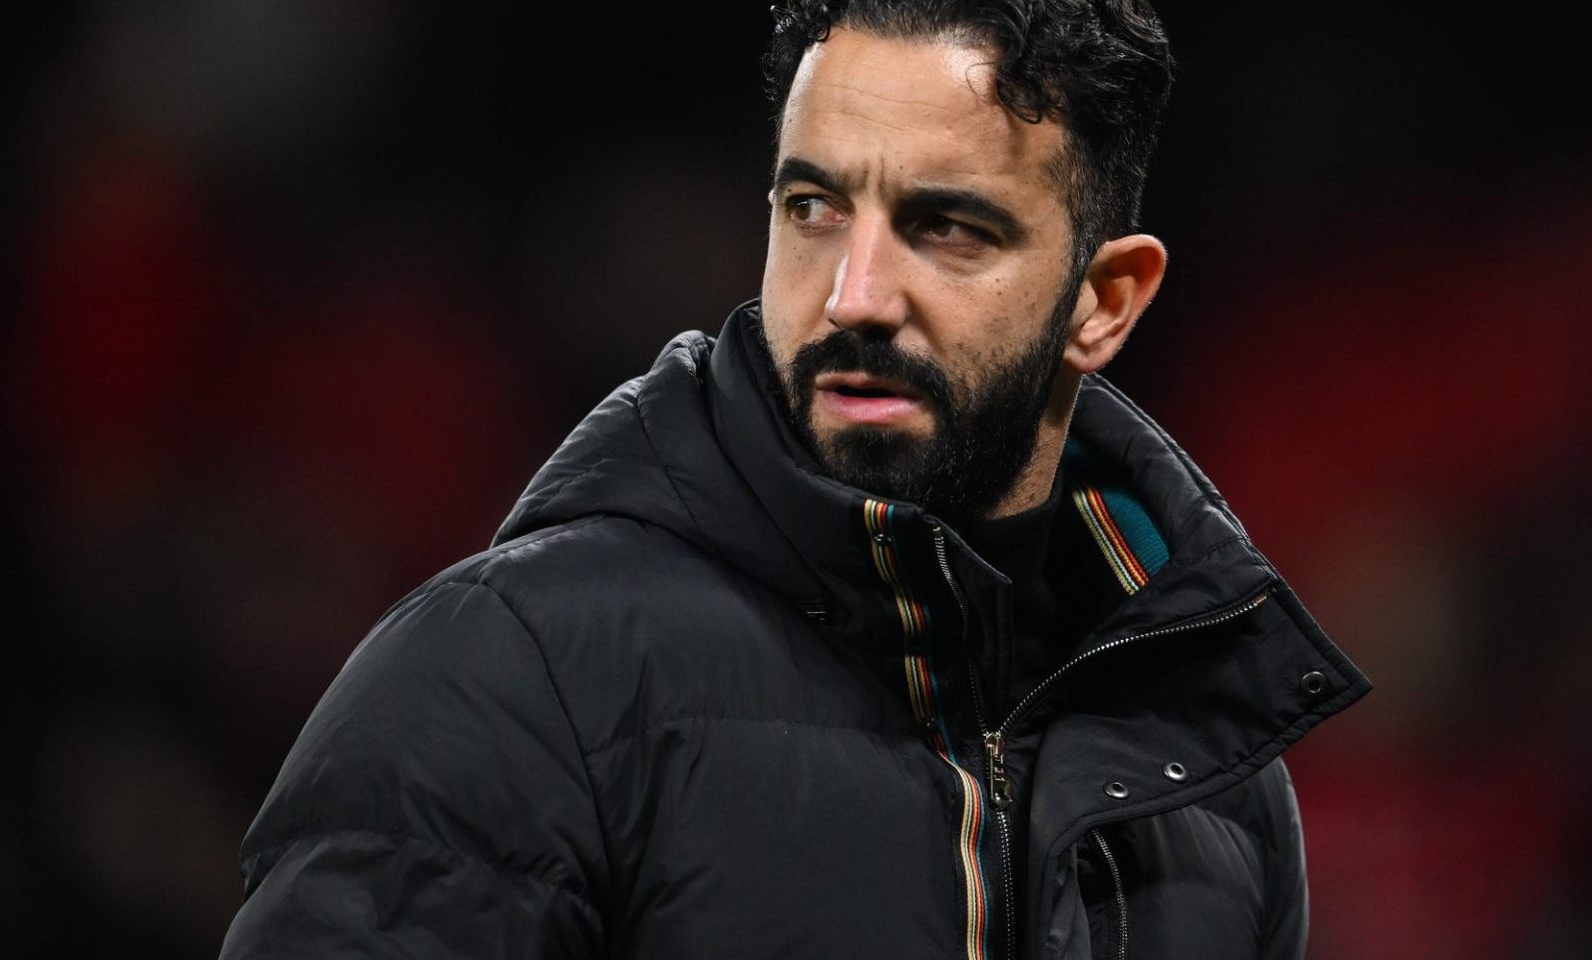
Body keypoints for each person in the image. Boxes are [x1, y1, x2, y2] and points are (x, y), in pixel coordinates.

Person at [220, 2, 1368, 958]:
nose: (853, 293)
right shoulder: (511, 682)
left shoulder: (1209, 778)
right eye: (812, 210)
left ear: (1103, 302)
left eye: (948, 227)